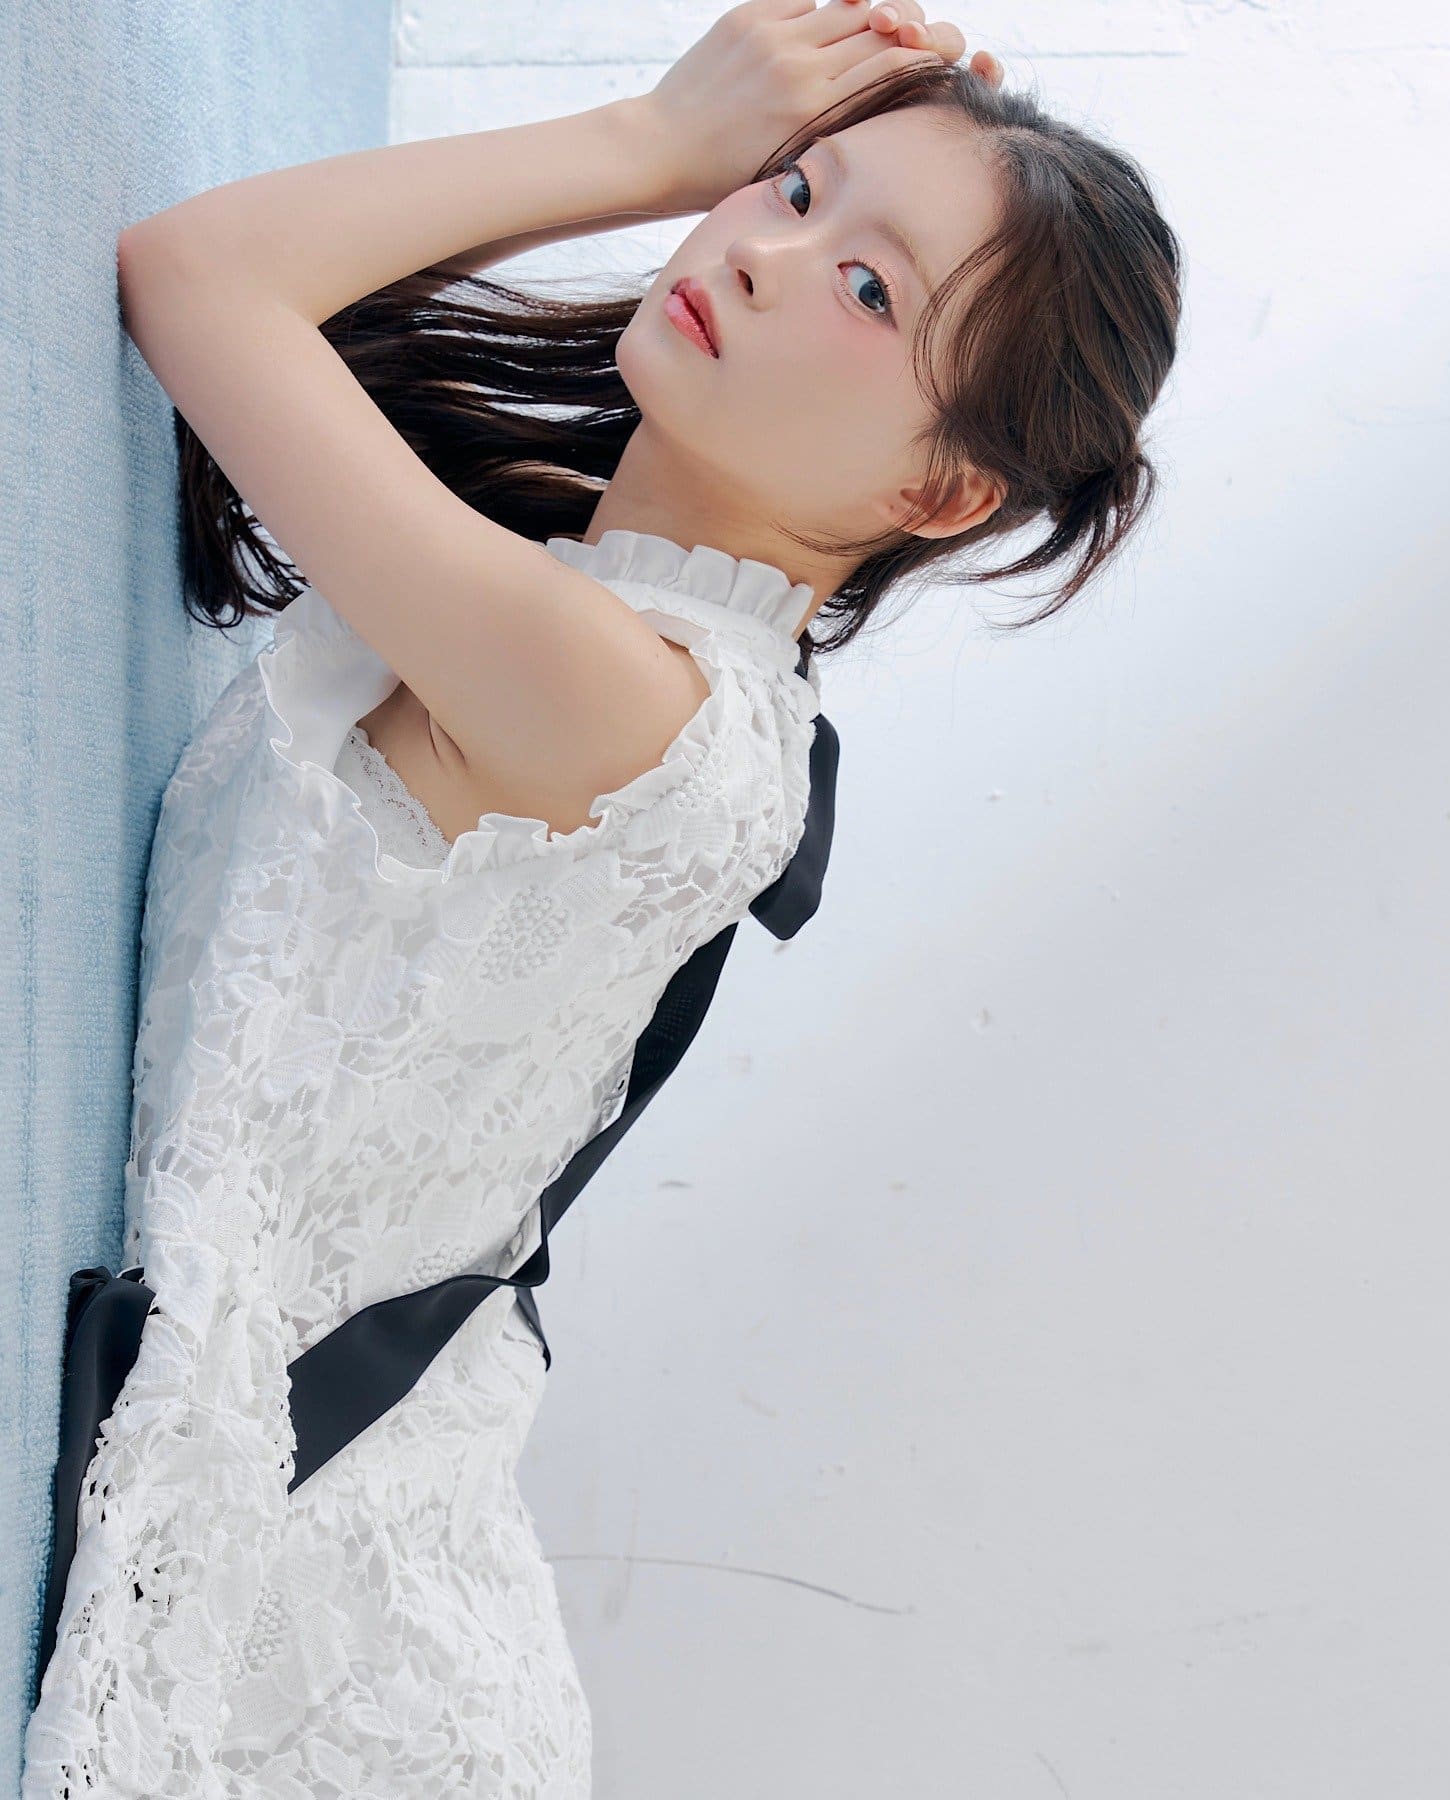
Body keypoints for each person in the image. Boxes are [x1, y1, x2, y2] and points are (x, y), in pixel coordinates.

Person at [24, 3, 1182, 1793]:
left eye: (868, 287)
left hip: (314, 1680)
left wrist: (645, 142)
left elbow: (198, 278)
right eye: (793, 185)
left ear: (940, 487)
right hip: (356, 1582)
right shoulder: (628, 630)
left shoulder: (633, 706)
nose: (766, 249)